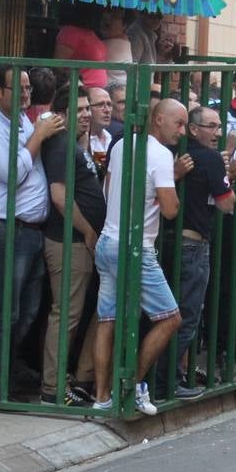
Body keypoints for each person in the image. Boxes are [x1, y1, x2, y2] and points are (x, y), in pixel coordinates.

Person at [0, 64, 65, 400]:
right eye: (17, 88)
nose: (25, 93)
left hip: (29, 229)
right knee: (2, 312)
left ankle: (3, 376)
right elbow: (13, 172)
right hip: (1, 228)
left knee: (26, 312)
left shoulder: (21, 120)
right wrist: (38, 136)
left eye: (26, 88)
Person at [92, 99, 189, 415]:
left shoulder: (122, 145)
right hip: (134, 247)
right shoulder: (161, 155)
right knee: (170, 317)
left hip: (107, 239)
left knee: (107, 320)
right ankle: (132, 385)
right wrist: (172, 180)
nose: (182, 131)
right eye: (179, 123)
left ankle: (102, 397)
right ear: (158, 119)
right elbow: (172, 210)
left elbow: (108, 189)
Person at [166, 105, 236, 399]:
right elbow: (226, 203)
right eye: (211, 126)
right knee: (187, 315)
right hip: (193, 244)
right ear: (194, 129)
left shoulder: (177, 153)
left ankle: (172, 375)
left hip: (167, 240)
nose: (217, 132)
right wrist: (227, 175)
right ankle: (168, 379)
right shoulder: (209, 158)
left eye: (219, 126)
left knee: (169, 312)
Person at [39, 86, 105, 405]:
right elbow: (60, 196)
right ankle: (52, 388)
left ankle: (59, 378)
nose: (85, 114)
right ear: (62, 114)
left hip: (79, 241)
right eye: (78, 110)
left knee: (72, 313)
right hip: (70, 241)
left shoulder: (74, 144)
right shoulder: (62, 145)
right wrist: (88, 232)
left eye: (86, 108)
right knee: (65, 314)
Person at [53, 10, 108, 91]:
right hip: (83, 91)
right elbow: (58, 66)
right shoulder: (70, 32)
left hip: (99, 92)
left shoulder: (91, 32)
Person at [98, 9, 133, 87]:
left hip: (117, 88)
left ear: (124, 25)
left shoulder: (118, 41)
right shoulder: (121, 39)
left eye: (113, 17)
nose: (106, 21)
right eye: (103, 18)